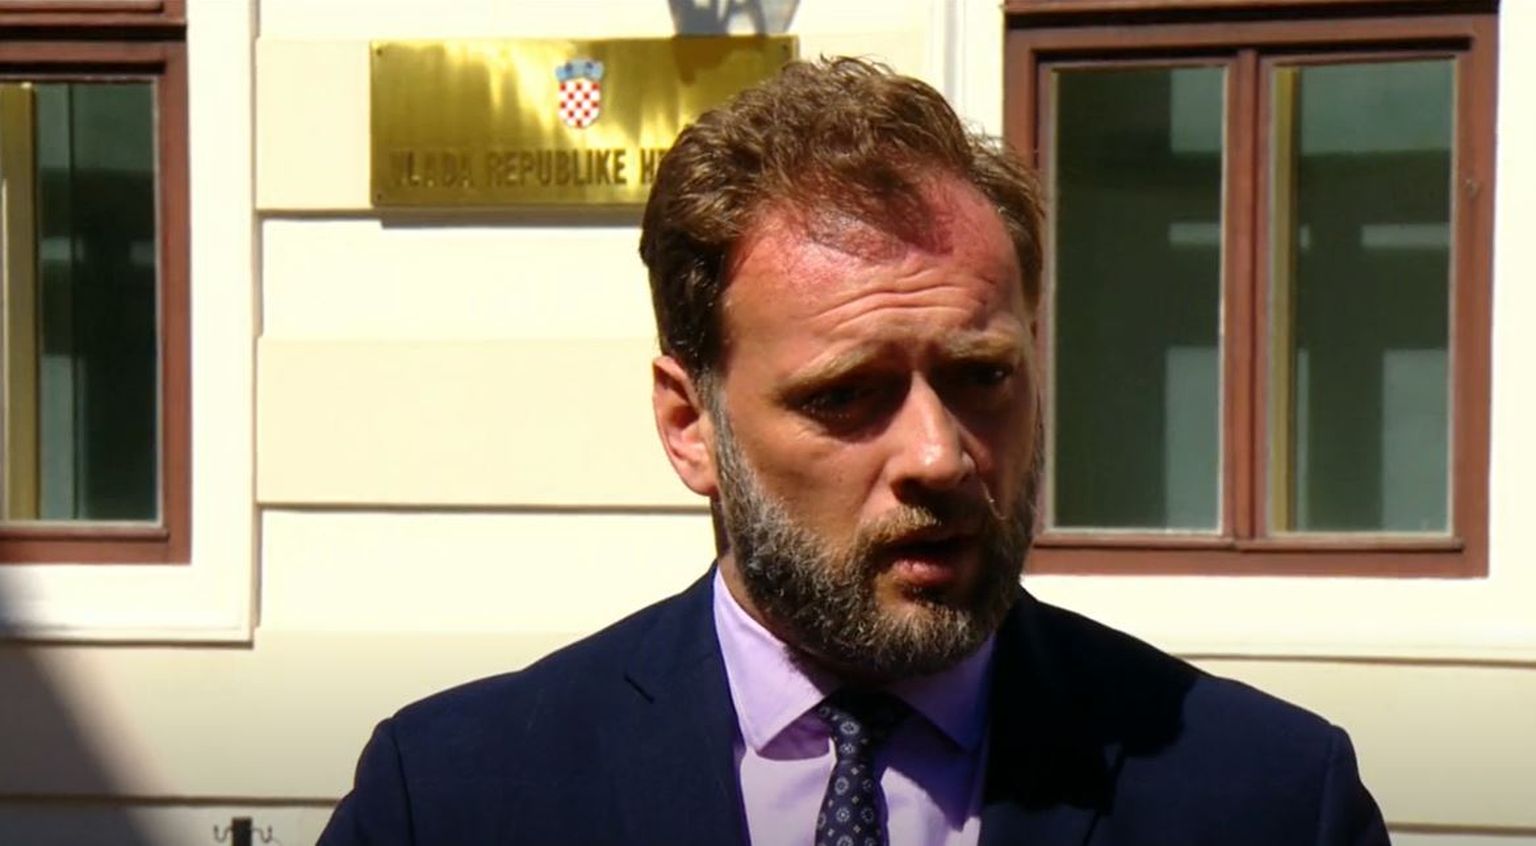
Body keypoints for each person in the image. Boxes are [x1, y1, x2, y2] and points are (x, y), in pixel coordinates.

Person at [317, 57, 1389, 846]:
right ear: (691, 426)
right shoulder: (456, 797)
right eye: (846, 395)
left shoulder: (1269, 799)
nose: (939, 455)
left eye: (983, 376)